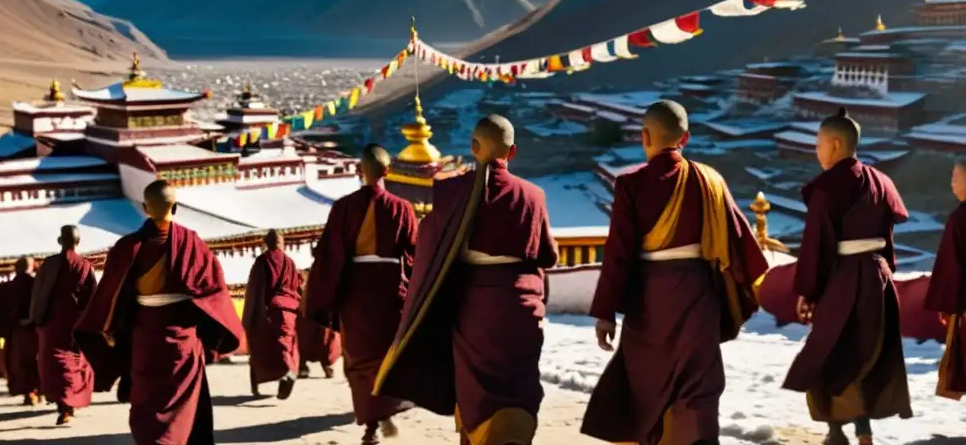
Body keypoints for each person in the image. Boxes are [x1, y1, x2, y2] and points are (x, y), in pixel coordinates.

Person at [581, 100, 769, 445]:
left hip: (651, 302)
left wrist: (605, 314)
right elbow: (745, 246)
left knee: (649, 385)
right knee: (697, 386)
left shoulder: (631, 184)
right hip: (700, 296)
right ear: (685, 138)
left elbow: (619, 255)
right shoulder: (710, 180)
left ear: (645, 136)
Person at [374, 115, 559, 445]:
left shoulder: (452, 191)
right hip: (522, 306)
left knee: (475, 386)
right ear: (512, 151)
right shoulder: (534, 195)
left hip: (474, 306)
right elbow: (547, 255)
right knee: (519, 381)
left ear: (473, 148)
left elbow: (433, 243)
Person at [75, 179, 243, 445]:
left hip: (146, 335)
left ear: (145, 208)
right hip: (183, 337)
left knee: (148, 400)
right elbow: (213, 288)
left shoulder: (127, 247)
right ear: (174, 207)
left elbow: (108, 296)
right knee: (186, 402)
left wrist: (109, 330)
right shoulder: (192, 242)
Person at [782, 107, 912, 445]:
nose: (817, 151)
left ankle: (837, 432)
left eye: (818, 144)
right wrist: (884, 276)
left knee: (830, 352)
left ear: (836, 144)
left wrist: (808, 291)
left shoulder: (827, 187)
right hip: (878, 279)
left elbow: (817, 245)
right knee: (865, 353)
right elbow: (888, 237)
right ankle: (864, 432)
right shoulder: (881, 181)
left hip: (843, 279)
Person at [305, 144, 418, 445]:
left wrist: (326, 294)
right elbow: (414, 253)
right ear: (387, 171)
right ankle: (385, 409)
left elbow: (330, 254)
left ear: (360, 170)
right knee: (385, 355)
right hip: (390, 291)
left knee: (358, 359)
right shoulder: (402, 208)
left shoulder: (343, 207)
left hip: (355, 291)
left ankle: (371, 426)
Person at [31, 225, 97, 426]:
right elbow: (92, 296)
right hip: (75, 321)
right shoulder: (85, 265)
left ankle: (63, 405)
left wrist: (37, 317)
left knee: (54, 363)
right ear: (78, 242)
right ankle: (70, 403)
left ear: (60, 241)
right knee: (75, 361)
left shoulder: (48, 264)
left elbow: (38, 293)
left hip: (51, 321)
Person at [242, 228, 302, 400]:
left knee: (262, 346)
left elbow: (255, 289)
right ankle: (289, 372)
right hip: (290, 310)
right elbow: (296, 287)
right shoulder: (290, 262)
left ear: (266, 243)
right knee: (288, 345)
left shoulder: (263, 260)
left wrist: (250, 316)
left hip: (270, 312)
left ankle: (284, 374)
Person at [924, 161, 966, 400]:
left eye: (956, 177)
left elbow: (952, 266)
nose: (952, 184)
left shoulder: (960, 219)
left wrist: (947, 305)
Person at [0, 256, 39, 405]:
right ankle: (36, 391)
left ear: (16, 269)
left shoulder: (5, 289)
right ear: (32, 267)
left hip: (15, 332)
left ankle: (28, 393)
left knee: (18, 363)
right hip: (36, 331)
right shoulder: (37, 286)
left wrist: (3, 328)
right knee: (35, 361)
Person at [297, 269, 341, 379]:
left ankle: (323, 365)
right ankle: (308, 367)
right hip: (309, 317)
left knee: (322, 339)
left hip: (315, 317)